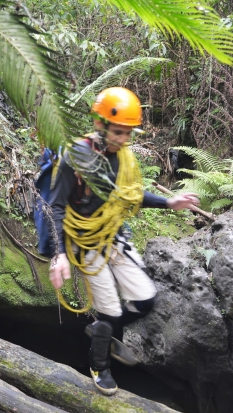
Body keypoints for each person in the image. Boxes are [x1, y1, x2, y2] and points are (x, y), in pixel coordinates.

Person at [48, 87, 200, 396]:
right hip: (87, 243)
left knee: (145, 299)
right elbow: (56, 206)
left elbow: (131, 195)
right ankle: (99, 364)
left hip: (115, 237)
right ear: (100, 125)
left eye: (127, 132)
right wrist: (59, 254)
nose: (123, 138)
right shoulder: (75, 157)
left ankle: (105, 332)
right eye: (118, 131)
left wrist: (169, 203)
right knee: (111, 312)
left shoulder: (124, 158)